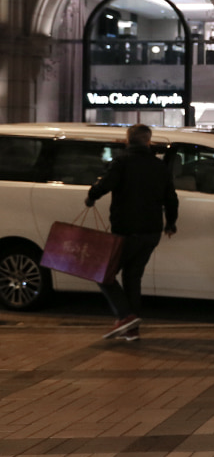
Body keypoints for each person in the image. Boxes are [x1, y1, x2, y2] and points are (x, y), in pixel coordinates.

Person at [84, 122, 178, 342]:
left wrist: (91, 197)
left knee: (103, 274)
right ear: (148, 141)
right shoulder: (159, 166)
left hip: (126, 231)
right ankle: (132, 330)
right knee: (132, 278)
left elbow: (105, 184)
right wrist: (171, 223)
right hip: (151, 233)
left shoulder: (122, 162)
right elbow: (171, 198)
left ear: (127, 140)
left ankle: (126, 316)